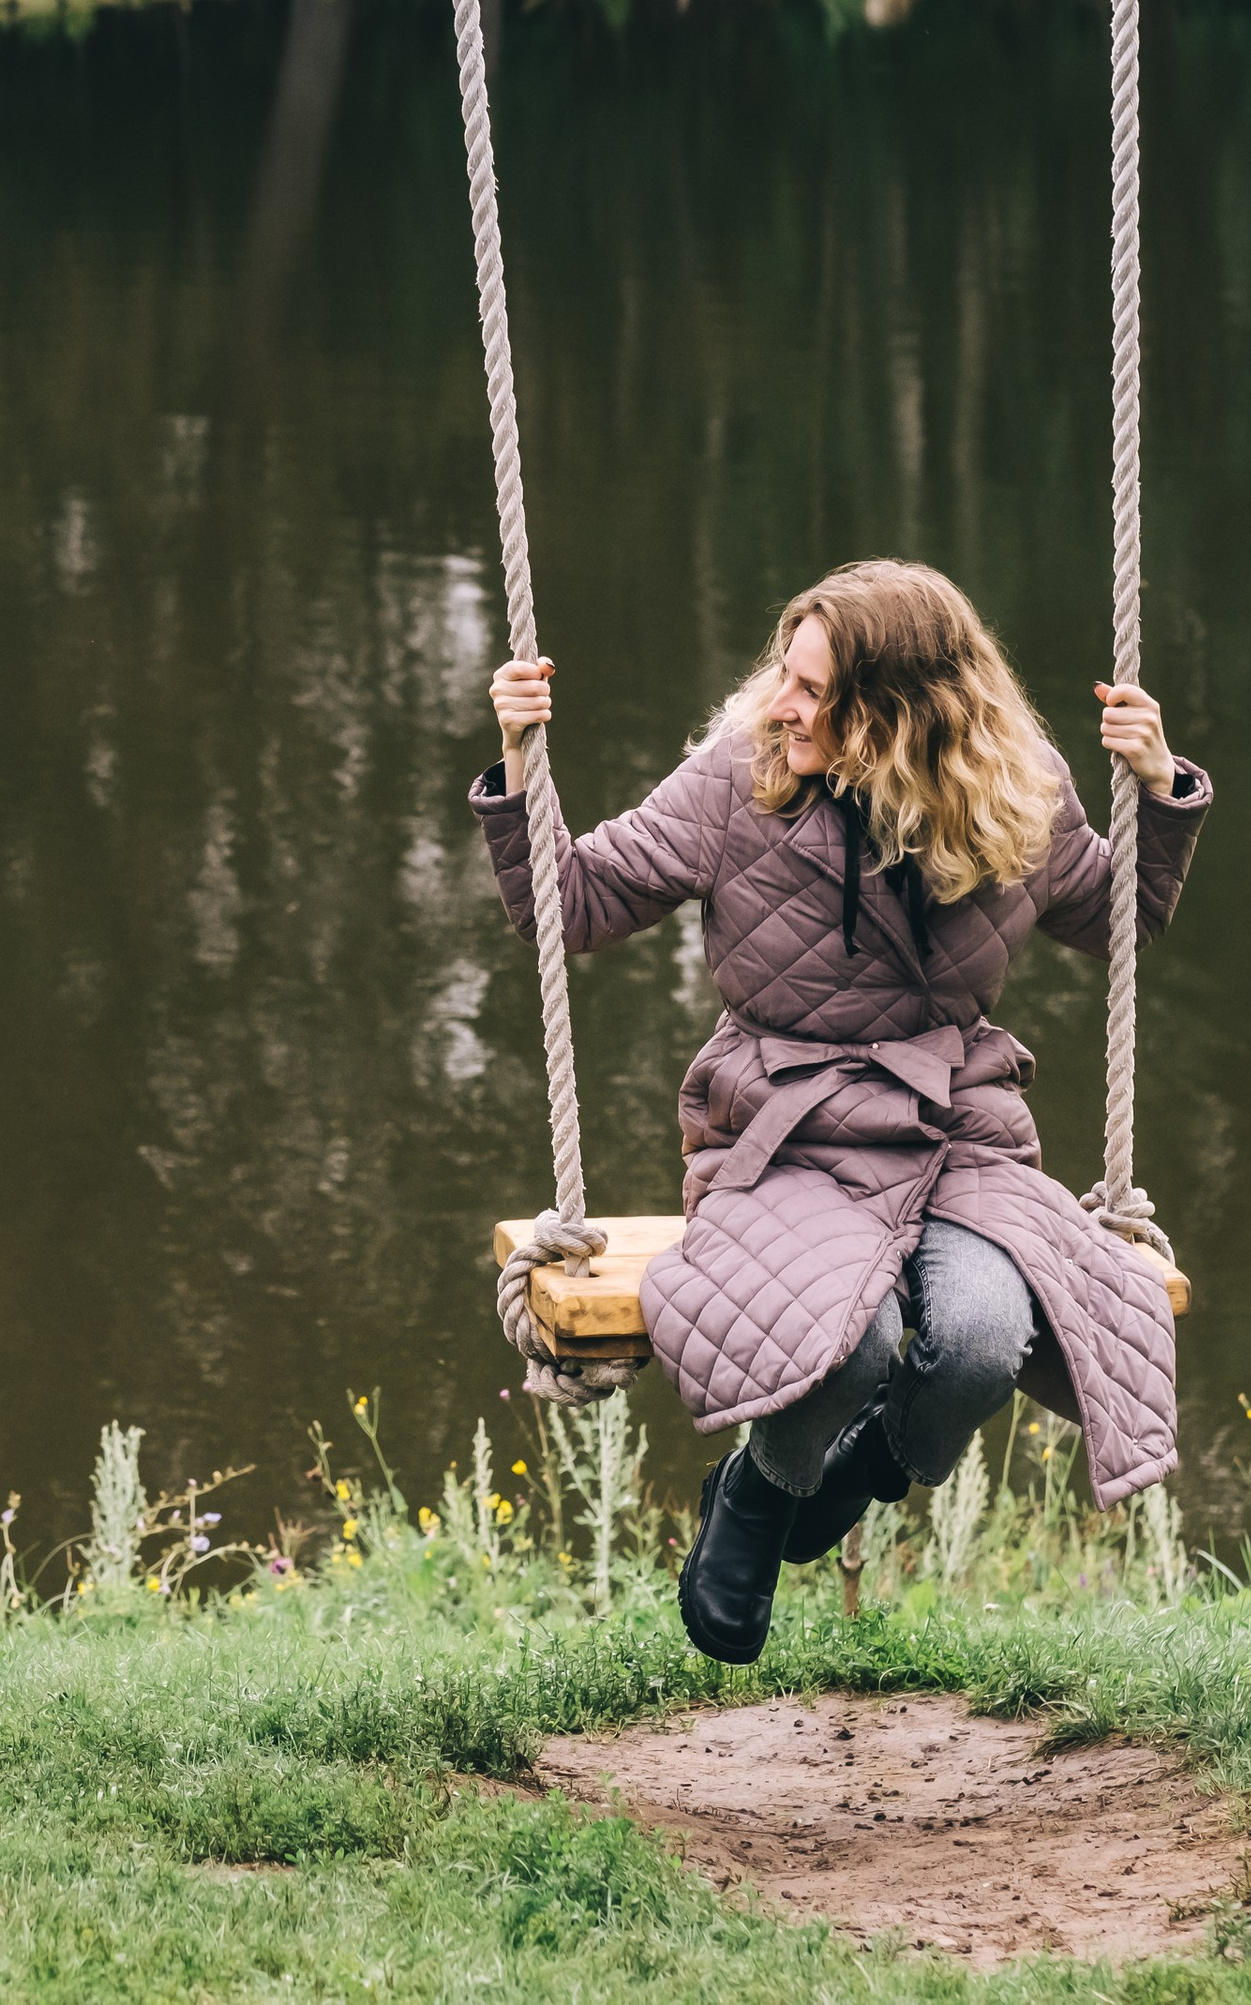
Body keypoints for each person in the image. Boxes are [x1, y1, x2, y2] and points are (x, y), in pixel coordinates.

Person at [474, 559, 1209, 1664]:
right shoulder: (737, 779)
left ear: (904, 713)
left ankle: (867, 1468)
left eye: (813, 690)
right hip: (782, 1130)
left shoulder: (1021, 787)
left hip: (959, 1127)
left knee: (971, 1343)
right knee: (849, 1345)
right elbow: (568, 908)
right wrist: (519, 766)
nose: (781, 704)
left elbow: (1117, 924)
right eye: (786, 674)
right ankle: (759, 1496)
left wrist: (1158, 791)